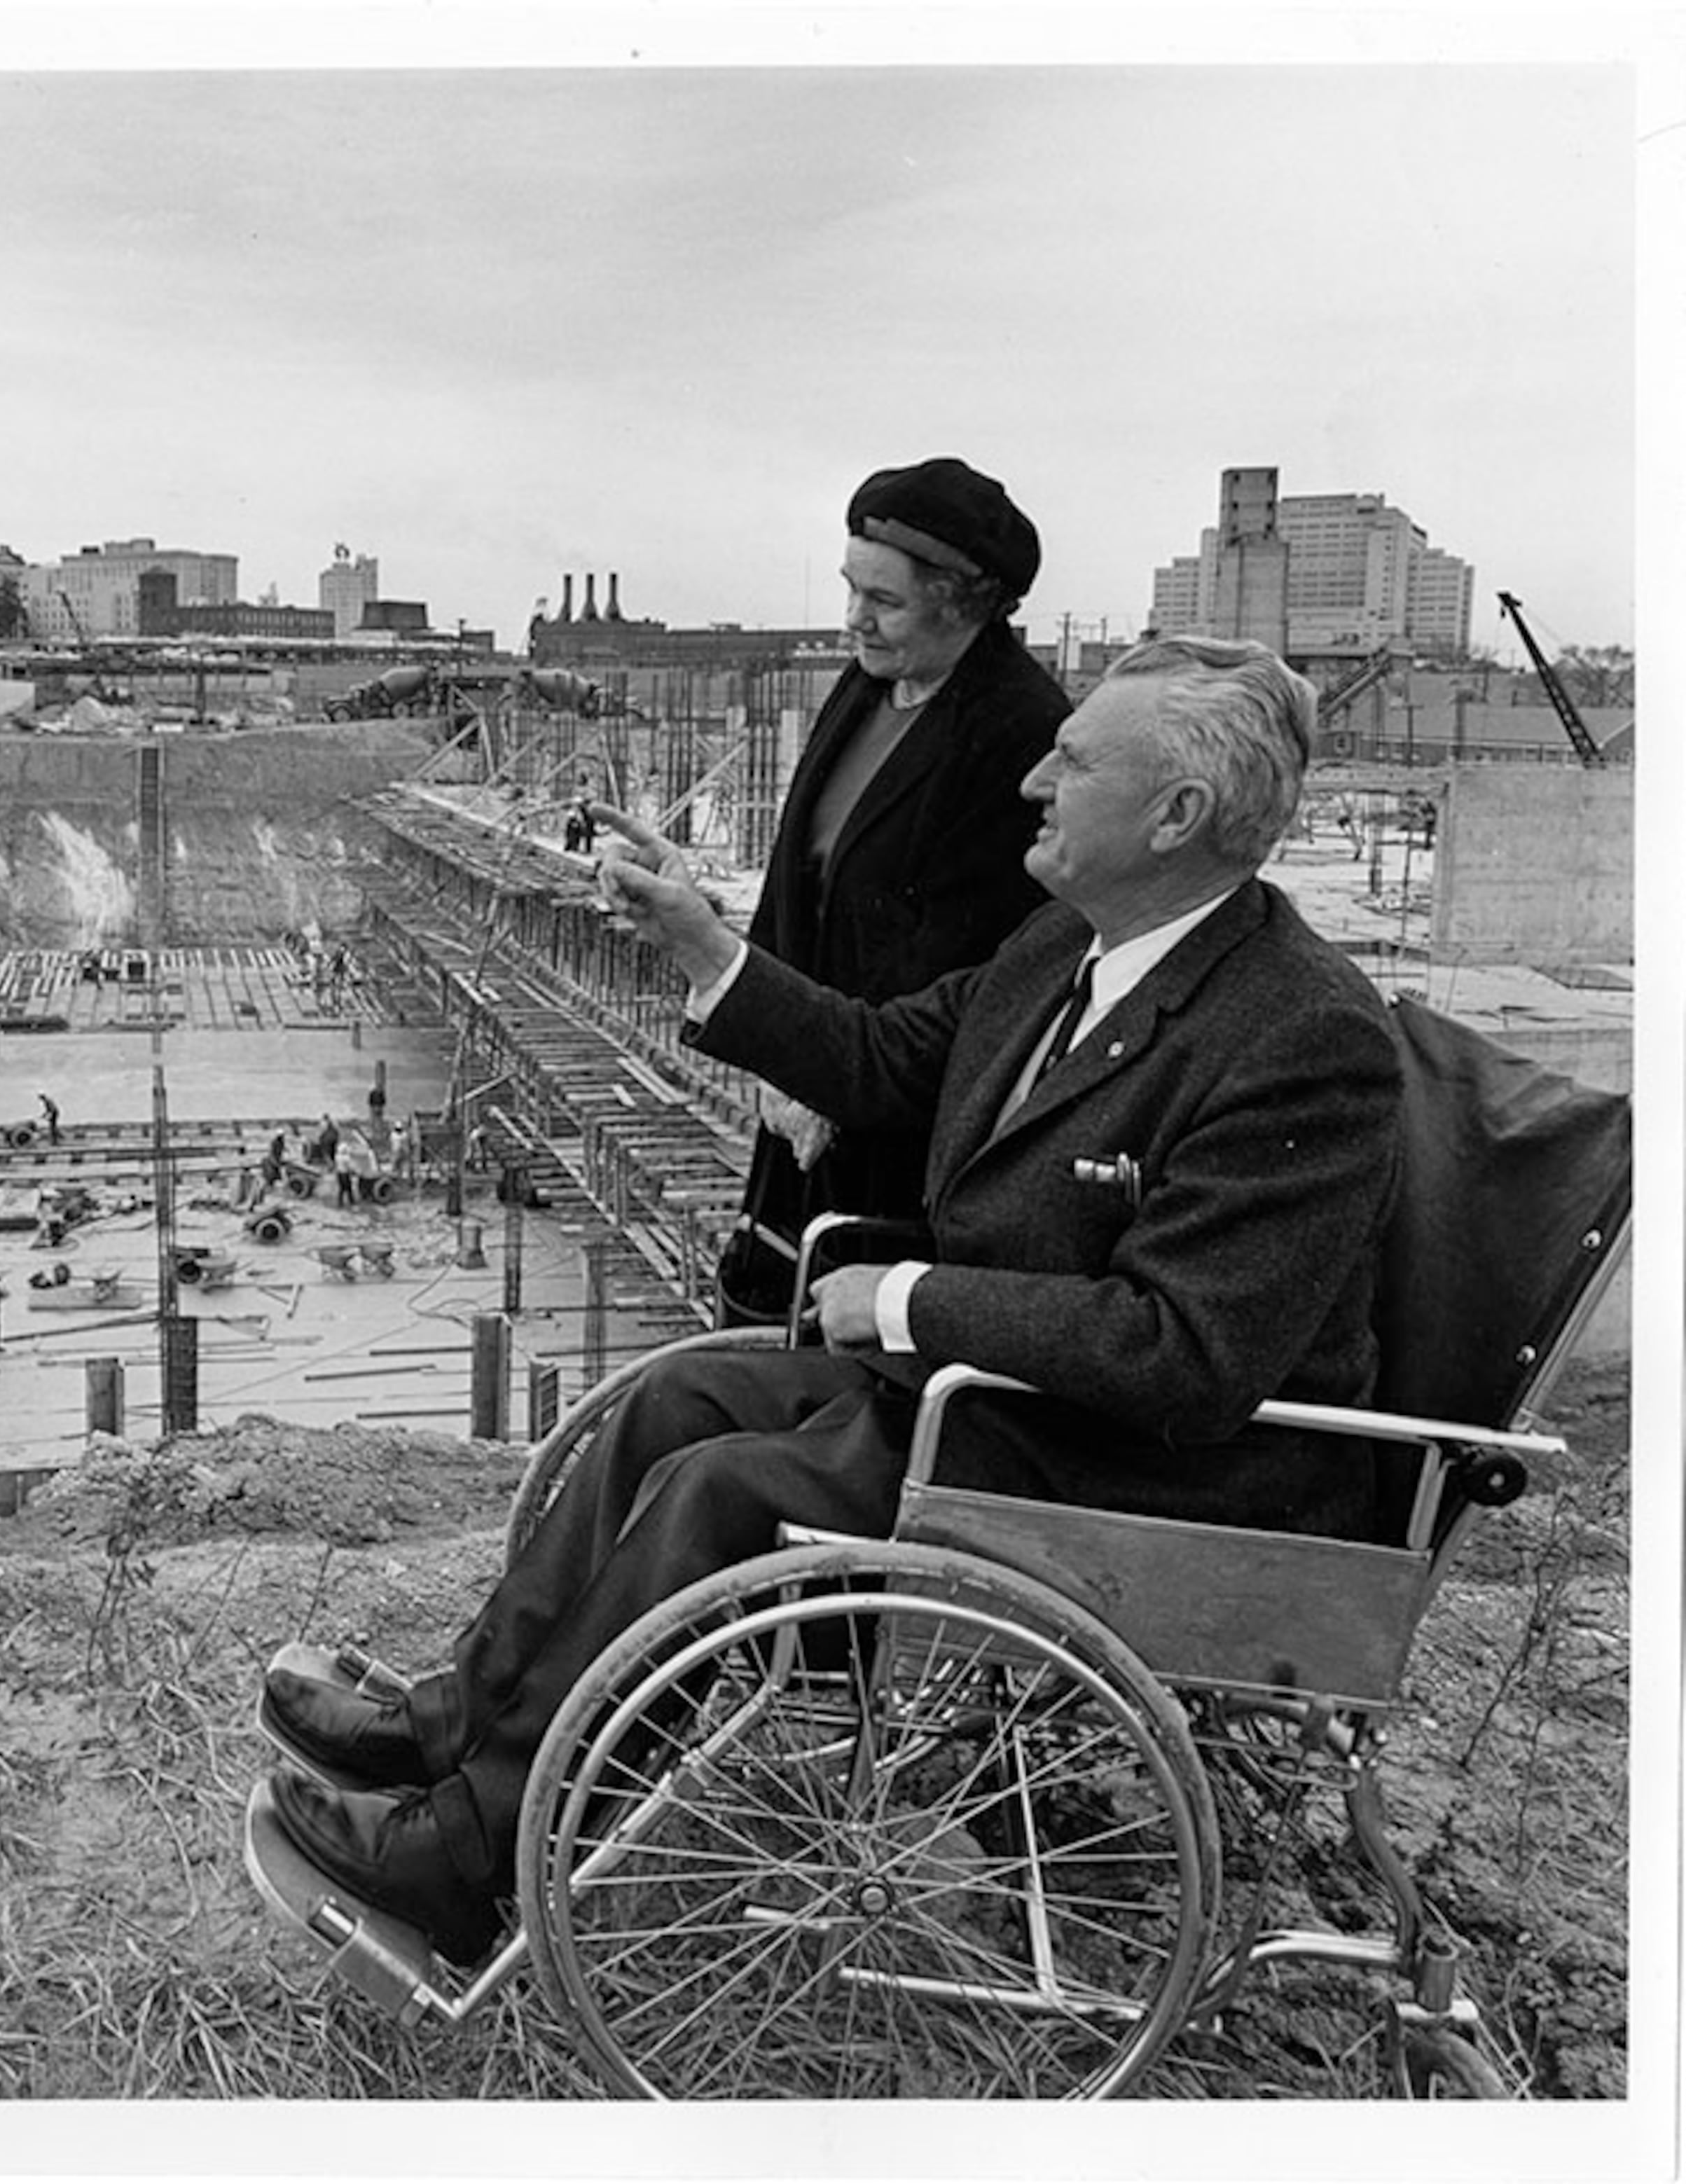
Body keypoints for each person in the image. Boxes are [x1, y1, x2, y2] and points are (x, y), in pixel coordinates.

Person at [251, 637, 1403, 1965]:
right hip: (1017, 1403)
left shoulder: (1302, 1033)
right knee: (676, 1399)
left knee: (725, 1488)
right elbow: (883, 1053)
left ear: (1178, 815)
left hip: (1161, 1467)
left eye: (1074, 760)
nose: (1032, 776)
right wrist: (701, 943)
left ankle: (476, 1857)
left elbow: (1186, 1351)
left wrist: (913, 1297)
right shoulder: (1069, 949)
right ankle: (465, 1722)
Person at [724, 456, 1070, 1322]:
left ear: (962, 602)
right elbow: (799, 870)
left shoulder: (1016, 730)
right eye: (851, 589)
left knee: (835, 1325)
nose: (855, 620)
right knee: (767, 1293)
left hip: (890, 1119)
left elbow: (968, 956)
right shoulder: (870, 683)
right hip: (806, 1078)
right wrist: (770, 1039)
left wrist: (828, 1074)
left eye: (883, 601)